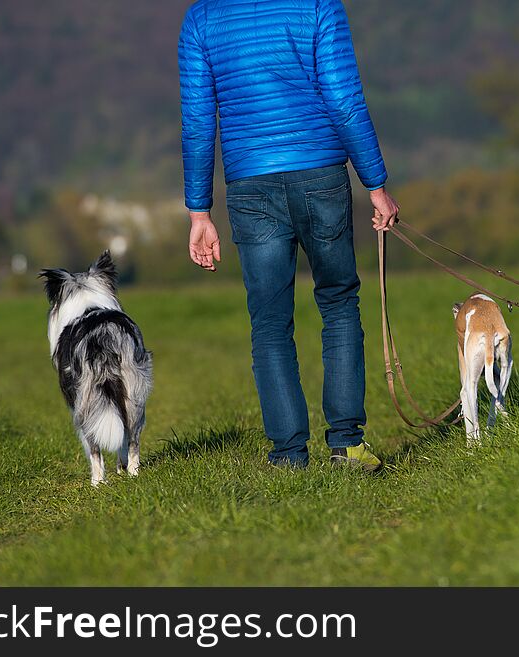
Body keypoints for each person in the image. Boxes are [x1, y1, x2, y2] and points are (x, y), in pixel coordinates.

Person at [179, 0, 399, 470]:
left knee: (269, 322)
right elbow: (344, 97)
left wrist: (200, 211)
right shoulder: (319, 5)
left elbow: (198, 119)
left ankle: (288, 456)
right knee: (339, 302)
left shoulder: (202, 18)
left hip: (249, 184)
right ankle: (347, 446)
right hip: (321, 174)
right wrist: (375, 184)